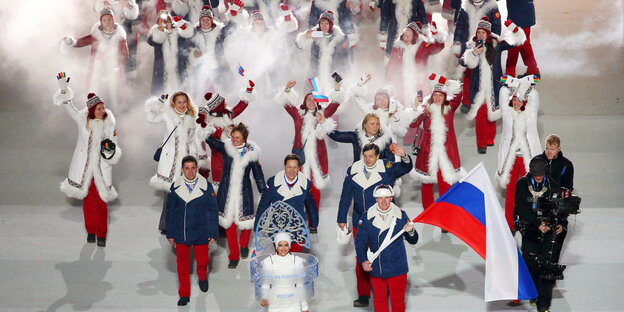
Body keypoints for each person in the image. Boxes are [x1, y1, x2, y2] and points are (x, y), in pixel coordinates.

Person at [337, 143, 412, 307]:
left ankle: (384, 286)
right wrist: (341, 217)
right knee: (361, 258)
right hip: (360, 220)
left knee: (385, 252)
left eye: (371, 156)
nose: (368, 159)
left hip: (385, 221)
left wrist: (404, 155)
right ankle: (363, 295)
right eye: (365, 156)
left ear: (378, 156)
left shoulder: (388, 167)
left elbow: (406, 168)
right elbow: (346, 195)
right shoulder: (353, 169)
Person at [53, 73, 122, 247]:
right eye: (98, 109)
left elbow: (114, 146)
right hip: (84, 170)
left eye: (103, 108)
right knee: (88, 203)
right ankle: (90, 231)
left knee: (101, 203)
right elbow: (68, 106)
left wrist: (110, 150)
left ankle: (101, 234)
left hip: (101, 169)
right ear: (92, 111)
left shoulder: (110, 124)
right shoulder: (82, 120)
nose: (102, 111)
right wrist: (63, 89)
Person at [459, 17, 526, 153]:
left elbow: (516, 42)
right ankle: (481, 144)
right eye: (479, 32)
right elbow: (462, 62)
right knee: (481, 115)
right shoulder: (471, 46)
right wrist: (473, 53)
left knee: (493, 112)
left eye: (483, 33)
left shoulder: (497, 44)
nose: (480, 35)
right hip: (478, 89)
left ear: (488, 33)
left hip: (494, 86)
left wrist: (515, 30)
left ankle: (489, 138)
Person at [205, 122, 267, 268]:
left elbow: (258, 174)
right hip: (227, 193)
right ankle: (233, 256)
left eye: (237, 137)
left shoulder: (252, 154)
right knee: (229, 226)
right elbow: (212, 142)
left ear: (244, 138)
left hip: (244, 193)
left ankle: (244, 245)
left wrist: (264, 190)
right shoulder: (227, 148)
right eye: (232, 137)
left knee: (245, 224)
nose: (234, 140)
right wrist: (205, 128)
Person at [276, 79, 344, 210]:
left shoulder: (322, 114)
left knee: (315, 187)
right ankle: (299, 216)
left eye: (314, 100)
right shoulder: (298, 115)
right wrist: (287, 90)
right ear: (304, 102)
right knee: (297, 186)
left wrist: (336, 89)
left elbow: (334, 104)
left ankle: (314, 220)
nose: (312, 102)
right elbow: (286, 104)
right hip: (299, 157)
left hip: (317, 157)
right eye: (308, 100)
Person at [354, 185, 418, 312]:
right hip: (377, 266)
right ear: (375, 199)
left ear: (391, 198)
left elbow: (413, 240)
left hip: (397, 266)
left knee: (398, 301)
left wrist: (411, 231)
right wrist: (363, 260)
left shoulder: (401, 215)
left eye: (387, 197)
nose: (384, 201)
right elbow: (360, 242)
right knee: (379, 300)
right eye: (380, 198)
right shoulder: (366, 217)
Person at [515, 157, 567, 312]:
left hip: (548, 230)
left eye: (541, 174)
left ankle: (543, 305)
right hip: (530, 228)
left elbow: (561, 208)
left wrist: (561, 224)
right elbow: (521, 208)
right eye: (536, 174)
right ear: (531, 172)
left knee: (546, 267)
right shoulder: (522, 184)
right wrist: (537, 224)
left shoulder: (552, 184)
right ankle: (533, 293)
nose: (539, 177)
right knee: (530, 264)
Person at [165, 155, 219, 306]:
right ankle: (184, 294)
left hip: (201, 230)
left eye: (193, 168)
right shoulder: (175, 187)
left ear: (197, 168)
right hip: (181, 231)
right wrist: (170, 233)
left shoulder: (206, 186)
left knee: (202, 261)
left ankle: (202, 276)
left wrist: (213, 232)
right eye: (187, 168)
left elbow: (212, 211)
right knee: (182, 265)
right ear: (182, 169)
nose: (190, 172)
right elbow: (170, 211)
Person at [144, 91, 200, 234]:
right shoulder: (167, 115)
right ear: (174, 103)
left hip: (186, 163)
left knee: (186, 196)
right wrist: (158, 103)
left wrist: (195, 159)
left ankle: (184, 224)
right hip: (169, 162)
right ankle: (166, 226)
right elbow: (150, 117)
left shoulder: (192, 118)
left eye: (184, 102)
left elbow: (194, 141)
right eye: (179, 102)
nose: (182, 105)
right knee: (169, 196)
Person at [408, 74, 465, 211]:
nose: (438, 98)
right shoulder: (426, 109)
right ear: (432, 96)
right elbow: (412, 123)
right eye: (435, 95)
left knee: (445, 182)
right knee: (426, 184)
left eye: (441, 95)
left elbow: (458, 92)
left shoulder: (450, 108)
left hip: (446, 154)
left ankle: (445, 214)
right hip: (427, 152)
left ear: (445, 96)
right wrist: (415, 108)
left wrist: (444, 81)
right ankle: (428, 212)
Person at [496, 75, 541, 230]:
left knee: (530, 195)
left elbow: (534, 95)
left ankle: (527, 225)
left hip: (528, 162)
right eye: (513, 99)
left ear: (524, 100)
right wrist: (512, 85)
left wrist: (523, 86)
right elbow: (502, 92)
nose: (515, 102)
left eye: (518, 99)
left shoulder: (531, 113)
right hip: (512, 160)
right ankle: (510, 225)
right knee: (511, 195)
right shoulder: (507, 114)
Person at [62, 7, 130, 109]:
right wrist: (71, 41)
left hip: (113, 66)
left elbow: (125, 55)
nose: (107, 22)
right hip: (97, 65)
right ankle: (92, 107)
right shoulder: (96, 35)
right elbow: (80, 42)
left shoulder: (119, 36)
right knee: (93, 86)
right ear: (101, 22)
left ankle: (116, 108)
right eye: (105, 20)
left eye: (109, 19)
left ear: (113, 20)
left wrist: (116, 63)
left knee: (114, 87)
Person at [256, 155, 319, 251]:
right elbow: (263, 205)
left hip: (297, 227)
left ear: (299, 168)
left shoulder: (305, 183)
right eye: (289, 167)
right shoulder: (273, 182)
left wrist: (313, 226)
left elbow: (311, 206)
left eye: (295, 167)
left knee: (295, 258)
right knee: (280, 258)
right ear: (284, 166)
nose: (292, 170)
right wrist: (258, 226)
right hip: (277, 226)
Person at [386, 21, 445, 104]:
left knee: (420, 104)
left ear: (415, 37)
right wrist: (388, 80)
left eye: (408, 36)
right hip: (401, 81)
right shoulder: (397, 48)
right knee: (401, 103)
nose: (405, 38)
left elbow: (438, 47)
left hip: (419, 81)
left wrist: (435, 34)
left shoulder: (423, 45)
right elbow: (391, 65)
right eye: (404, 35)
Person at [295, 10, 349, 93]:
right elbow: (299, 45)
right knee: (313, 97)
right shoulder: (316, 33)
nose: (324, 26)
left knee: (337, 96)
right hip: (316, 71)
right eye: (322, 23)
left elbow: (344, 56)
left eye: (326, 23)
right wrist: (305, 36)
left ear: (331, 24)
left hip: (334, 71)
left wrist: (343, 71)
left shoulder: (338, 37)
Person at [259, 232, 309, 312]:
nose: (283, 248)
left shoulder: (297, 261)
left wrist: (305, 306)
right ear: (276, 246)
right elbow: (266, 284)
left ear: (289, 246)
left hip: (293, 303)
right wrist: (264, 298)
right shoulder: (268, 262)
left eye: (286, 245)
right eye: (280, 245)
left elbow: (300, 285)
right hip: (275, 303)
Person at [146, 10, 194, 95]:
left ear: (170, 22)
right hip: (163, 72)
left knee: (180, 96)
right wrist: (160, 30)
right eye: (162, 22)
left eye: (166, 21)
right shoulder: (156, 33)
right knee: (163, 97)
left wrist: (182, 24)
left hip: (178, 70)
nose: (165, 24)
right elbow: (150, 41)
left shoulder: (178, 33)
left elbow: (189, 34)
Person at [323, 113, 394, 163]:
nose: (375, 126)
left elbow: (390, 160)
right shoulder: (356, 136)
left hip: (378, 176)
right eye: (372, 124)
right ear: (365, 125)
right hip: (358, 173)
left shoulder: (386, 139)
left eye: (377, 124)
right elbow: (337, 136)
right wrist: (323, 123)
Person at [504, 0, 540, 77]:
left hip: (519, 16)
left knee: (514, 44)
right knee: (524, 43)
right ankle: (533, 70)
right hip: (523, 14)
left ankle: (510, 73)